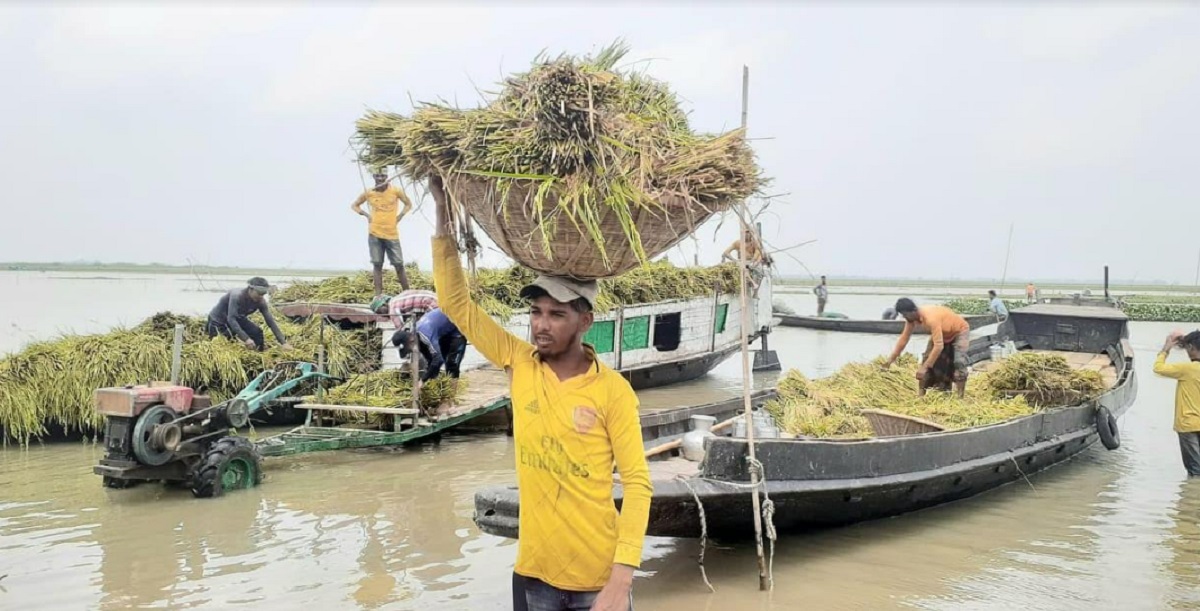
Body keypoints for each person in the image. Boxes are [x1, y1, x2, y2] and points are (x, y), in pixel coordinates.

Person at [429, 176, 649, 611]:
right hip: (533, 574)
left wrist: (622, 579)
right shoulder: (518, 361)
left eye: (556, 314)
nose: (541, 324)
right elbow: (456, 304)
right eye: (535, 312)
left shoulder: (614, 391)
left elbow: (638, 485)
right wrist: (442, 209)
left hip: (598, 577)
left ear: (585, 321)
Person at [882, 298, 971, 397]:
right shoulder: (911, 320)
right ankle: (921, 397)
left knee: (959, 362)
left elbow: (938, 346)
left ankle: (960, 397)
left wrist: (924, 368)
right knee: (926, 360)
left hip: (959, 331)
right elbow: (903, 340)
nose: (904, 317)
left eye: (905, 314)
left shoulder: (931, 318)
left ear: (913, 311)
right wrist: (889, 361)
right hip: (943, 333)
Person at [351, 171, 413, 296]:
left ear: (387, 177)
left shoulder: (395, 191)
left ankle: (408, 293)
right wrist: (366, 215)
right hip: (374, 233)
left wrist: (400, 216)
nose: (380, 178)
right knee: (377, 264)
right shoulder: (369, 193)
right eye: (377, 176)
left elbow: (408, 204)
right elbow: (355, 205)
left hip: (391, 233)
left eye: (383, 176)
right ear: (374, 177)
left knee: (399, 264)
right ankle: (378, 295)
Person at [1153, 330, 1200, 477]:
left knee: (1195, 470)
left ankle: (1192, 497)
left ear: (1192, 348)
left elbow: (1158, 368)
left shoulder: (1187, 369)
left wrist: (1166, 349)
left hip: (1188, 424)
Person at [206, 277, 292, 351]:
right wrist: (246, 339)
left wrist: (283, 342)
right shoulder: (237, 296)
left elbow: (270, 322)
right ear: (250, 289)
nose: (261, 297)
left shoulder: (261, 301)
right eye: (259, 293)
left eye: (263, 294)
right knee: (225, 341)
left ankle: (258, 353)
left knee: (257, 332)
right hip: (219, 320)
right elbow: (231, 319)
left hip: (239, 318)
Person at [389, 308, 467, 381]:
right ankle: (440, 386)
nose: (410, 351)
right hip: (445, 332)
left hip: (458, 327)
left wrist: (423, 381)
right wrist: (427, 378)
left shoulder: (425, 335)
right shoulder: (416, 336)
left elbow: (438, 359)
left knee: (452, 365)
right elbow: (430, 359)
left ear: (411, 340)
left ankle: (451, 394)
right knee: (438, 361)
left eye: (409, 349)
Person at [371, 289, 439, 329]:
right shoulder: (398, 297)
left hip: (433, 306)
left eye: (380, 311)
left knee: (427, 330)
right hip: (437, 297)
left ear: (385, 304)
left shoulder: (392, 309)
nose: (382, 314)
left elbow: (400, 328)